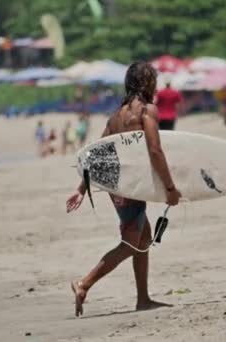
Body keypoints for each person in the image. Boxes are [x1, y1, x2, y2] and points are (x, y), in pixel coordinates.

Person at [66, 62, 182, 317]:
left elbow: (97, 155)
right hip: (131, 185)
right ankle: (84, 284)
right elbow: (154, 150)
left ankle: (143, 298)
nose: (156, 86)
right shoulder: (148, 111)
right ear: (147, 84)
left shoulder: (116, 116)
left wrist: (81, 189)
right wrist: (170, 188)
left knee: (144, 237)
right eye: (153, 80)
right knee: (131, 243)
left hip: (118, 184)